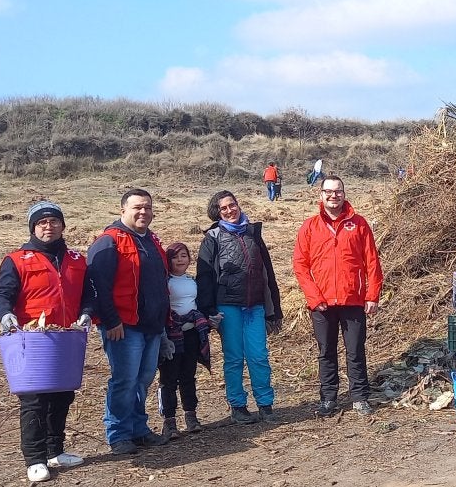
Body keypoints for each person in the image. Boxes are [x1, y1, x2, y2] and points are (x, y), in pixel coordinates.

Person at [0, 201, 93, 482]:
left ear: (63, 225)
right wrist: (6, 315)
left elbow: (89, 294)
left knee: (63, 395)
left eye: (54, 221)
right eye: (42, 223)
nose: (48, 227)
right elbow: (3, 296)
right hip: (32, 339)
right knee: (35, 400)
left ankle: (55, 450)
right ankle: (34, 458)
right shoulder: (17, 259)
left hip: (67, 337)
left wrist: (86, 313)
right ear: (33, 228)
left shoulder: (76, 259)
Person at [87, 188, 170, 455]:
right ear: (122, 210)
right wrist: (111, 321)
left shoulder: (152, 240)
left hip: (152, 325)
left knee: (143, 379)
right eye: (137, 207)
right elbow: (97, 286)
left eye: (147, 207)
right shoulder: (109, 241)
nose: (143, 212)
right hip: (123, 326)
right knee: (124, 380)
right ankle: (118, 433)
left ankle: (138, 429)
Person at [292, 175, 384, 418]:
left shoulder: (359, 224)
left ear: (344, 194)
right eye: (329, 192)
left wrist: (372, 295)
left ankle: (360, 397)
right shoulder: (309, 226)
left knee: (355, 350)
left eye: (338, 191)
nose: (334, 196)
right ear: (321, 195)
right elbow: (300, 265)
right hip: (321, 303)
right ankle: (329, 398)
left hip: (353, 299)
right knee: (326, 351)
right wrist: (314, 297)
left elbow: (372, 262)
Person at [197, 191, 284, 425]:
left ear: (238, 205)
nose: (229, 210)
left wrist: (274, 307)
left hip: (254, 305)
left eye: (232, 205)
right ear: (217, 212)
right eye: (223, 208)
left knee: (259, 357)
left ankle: (265, 404)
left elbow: (268, 272)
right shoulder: (212, 237)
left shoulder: (253, 233)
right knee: (234, 358)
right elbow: (204, 277)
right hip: (228, 307)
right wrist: (208, 310)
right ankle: (238, 406)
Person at [158, 242, 212, 438]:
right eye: (175, 257)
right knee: (169, 378)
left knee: (188, 376)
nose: (180, 260)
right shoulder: (165, 281)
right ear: (168, 260)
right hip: (172, 334)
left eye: (184, 256)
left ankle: (191, 415)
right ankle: (169, 421)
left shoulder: (192, 280)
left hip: (191, 333)